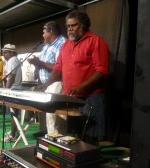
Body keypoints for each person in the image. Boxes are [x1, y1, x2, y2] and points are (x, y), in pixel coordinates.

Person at [35, 10, 109, 143]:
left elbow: (102, 70)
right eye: (68, 26)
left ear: (83, 25)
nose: (69, 29)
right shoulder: (65, 45)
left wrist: (82, 86)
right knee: (75, 137)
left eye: (73, 25)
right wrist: (44, 85)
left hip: (91, 97)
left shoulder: (96, 41)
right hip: (72, 98)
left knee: (90, 139)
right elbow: (58, 69)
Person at [27, 21, 66, 137]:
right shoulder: (46, 46)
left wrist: (39, 62)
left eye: (44, 32)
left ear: (51, 32)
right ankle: (48, 136)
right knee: (47, 114)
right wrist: (35, 62)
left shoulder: (62, 43)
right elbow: (43, 64)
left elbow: (60, 67)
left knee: (55, 116)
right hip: (45, 84)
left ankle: (57, 140)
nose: (43, 35)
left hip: (56, 83)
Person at [1, 44, 23, 142]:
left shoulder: (12, 60)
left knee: (13, 113)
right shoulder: (14, 60)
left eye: (5, 52)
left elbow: (11, 77)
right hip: (16, 89)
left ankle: (13, 135)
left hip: (14, 90)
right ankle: (13, 132)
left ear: (11, 52)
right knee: (13, 113)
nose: (4, 54)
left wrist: (6, 91)